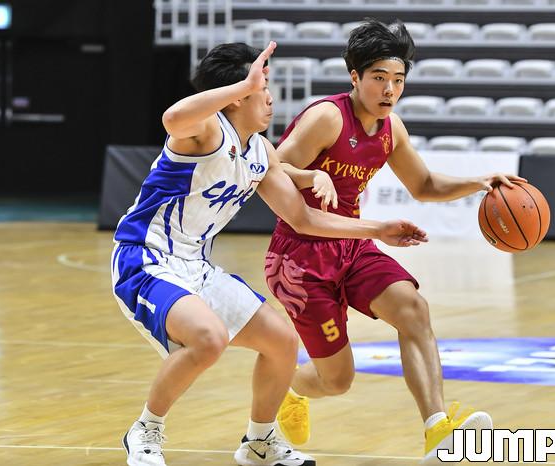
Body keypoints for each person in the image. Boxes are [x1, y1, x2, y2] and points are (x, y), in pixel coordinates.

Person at [110, 40, 428, 466]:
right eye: (263, 89)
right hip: (145, 259)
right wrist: (243, 84)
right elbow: (172, 117)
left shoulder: (260, 151)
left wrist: (378, 229)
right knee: (209, 338)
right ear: (238, 95)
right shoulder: (206, 132)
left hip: (196, 265)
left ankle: (259, 441)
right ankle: (146, 429)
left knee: (281, 341)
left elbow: (304, 219)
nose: (271, 97)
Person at [265, 19, 525, 464]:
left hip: (352, 246)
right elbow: (269, 168)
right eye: (379, 78)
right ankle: (292, 387)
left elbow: (423, 184)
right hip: (299, 259)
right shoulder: (327, 118)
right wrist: (310, 176)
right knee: (337, 381)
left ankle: (437, 429)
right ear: (355, 77)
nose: (389, 90)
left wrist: (479, 182)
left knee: (413, 309)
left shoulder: (391, 129)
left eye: (398, 80)